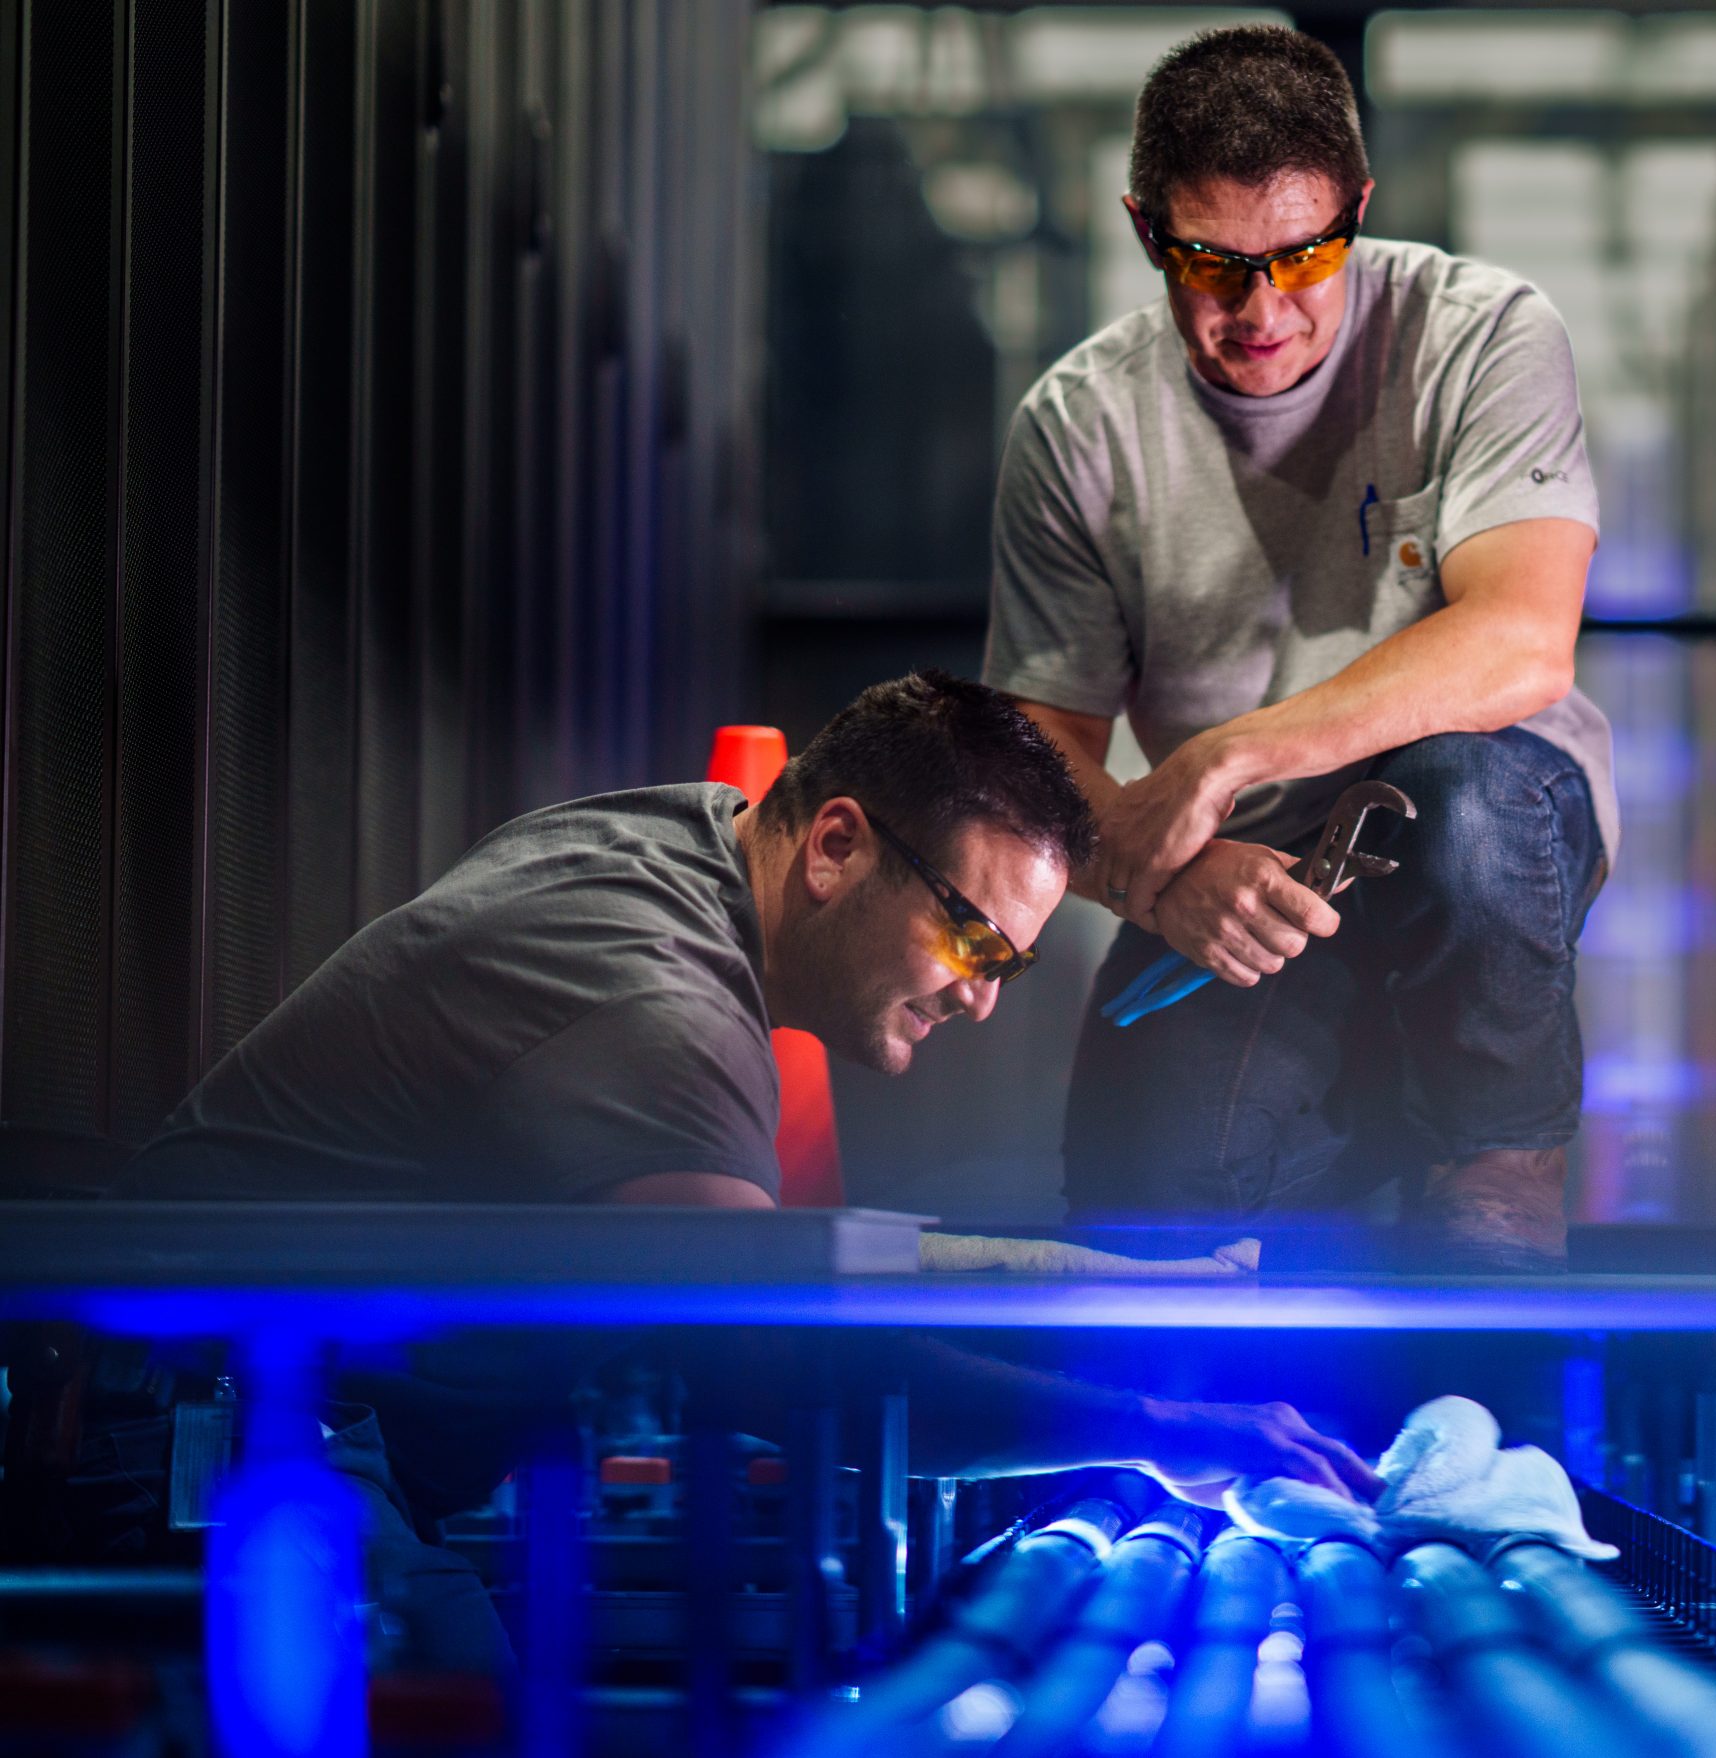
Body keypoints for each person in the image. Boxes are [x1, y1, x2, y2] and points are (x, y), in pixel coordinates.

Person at [76, 670, 1374, 1672]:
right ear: (835, 846)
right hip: (217, 1454)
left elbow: (744, 1280)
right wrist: (1153, 1438)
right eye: (976, 942)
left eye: (1011, 968)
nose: (981, 1001)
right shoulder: (660, 993)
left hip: (287, 1426)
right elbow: (759, 1348)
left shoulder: (686, 848)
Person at [985, 26, 1613, 1269]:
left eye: (1303, 255)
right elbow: (1039, 754)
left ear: (1359, 209)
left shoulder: (1482, 335)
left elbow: (1521, 642)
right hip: (1251, 867)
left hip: (1483, 814)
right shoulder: (1078, 425)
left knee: (1465, 799)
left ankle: (1496, 1168)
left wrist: (1222, 756)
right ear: (1143, 229)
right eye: (1210, 265)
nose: (1259, 309)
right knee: (1144, 1200)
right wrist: (1157, 881)